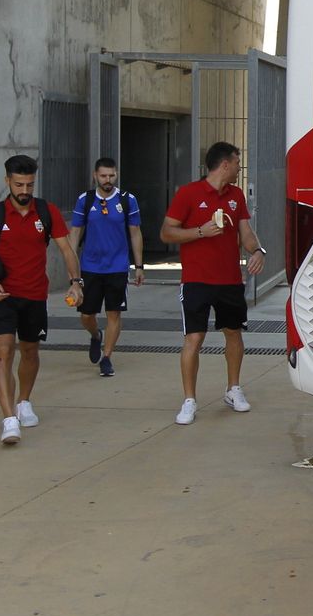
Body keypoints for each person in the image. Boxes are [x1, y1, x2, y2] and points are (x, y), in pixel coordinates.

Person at [0, 154, 83, 446]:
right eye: (19, 185)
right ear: (7, 182)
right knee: (3, 353)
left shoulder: (46, 211)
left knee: (30, 351)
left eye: (29, 184)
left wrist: (76, 283)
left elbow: (66, 249)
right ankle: (8, 419)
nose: (24, 191)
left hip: (35, 295)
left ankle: (24, 401)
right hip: (2, 296)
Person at [161, 141, 266, 424]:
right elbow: (166, 232)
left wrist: (257, 250)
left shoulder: (236, 195)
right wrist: (199, 231)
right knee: (194, 338)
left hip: (230, 280)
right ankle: (189, 400)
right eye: (237, 162)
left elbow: (245, 232)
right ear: (224, 165)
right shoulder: (189, 194)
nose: (239, 167)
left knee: (233, 333)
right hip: (196, 280)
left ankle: (233, 389)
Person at [67, 157, 144, 378]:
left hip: (117, 267)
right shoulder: (86, 200)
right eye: (103, 176)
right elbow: (75, 234)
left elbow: (135, 232)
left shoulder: (128, 200)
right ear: (95, 176)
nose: (107, 180)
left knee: (114, 313)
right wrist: (73, 269)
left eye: (111, 175)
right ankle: (95, 335)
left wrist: (138, 265)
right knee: (86, 314)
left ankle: (107, 357)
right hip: (90, 267)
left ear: (116, 175)